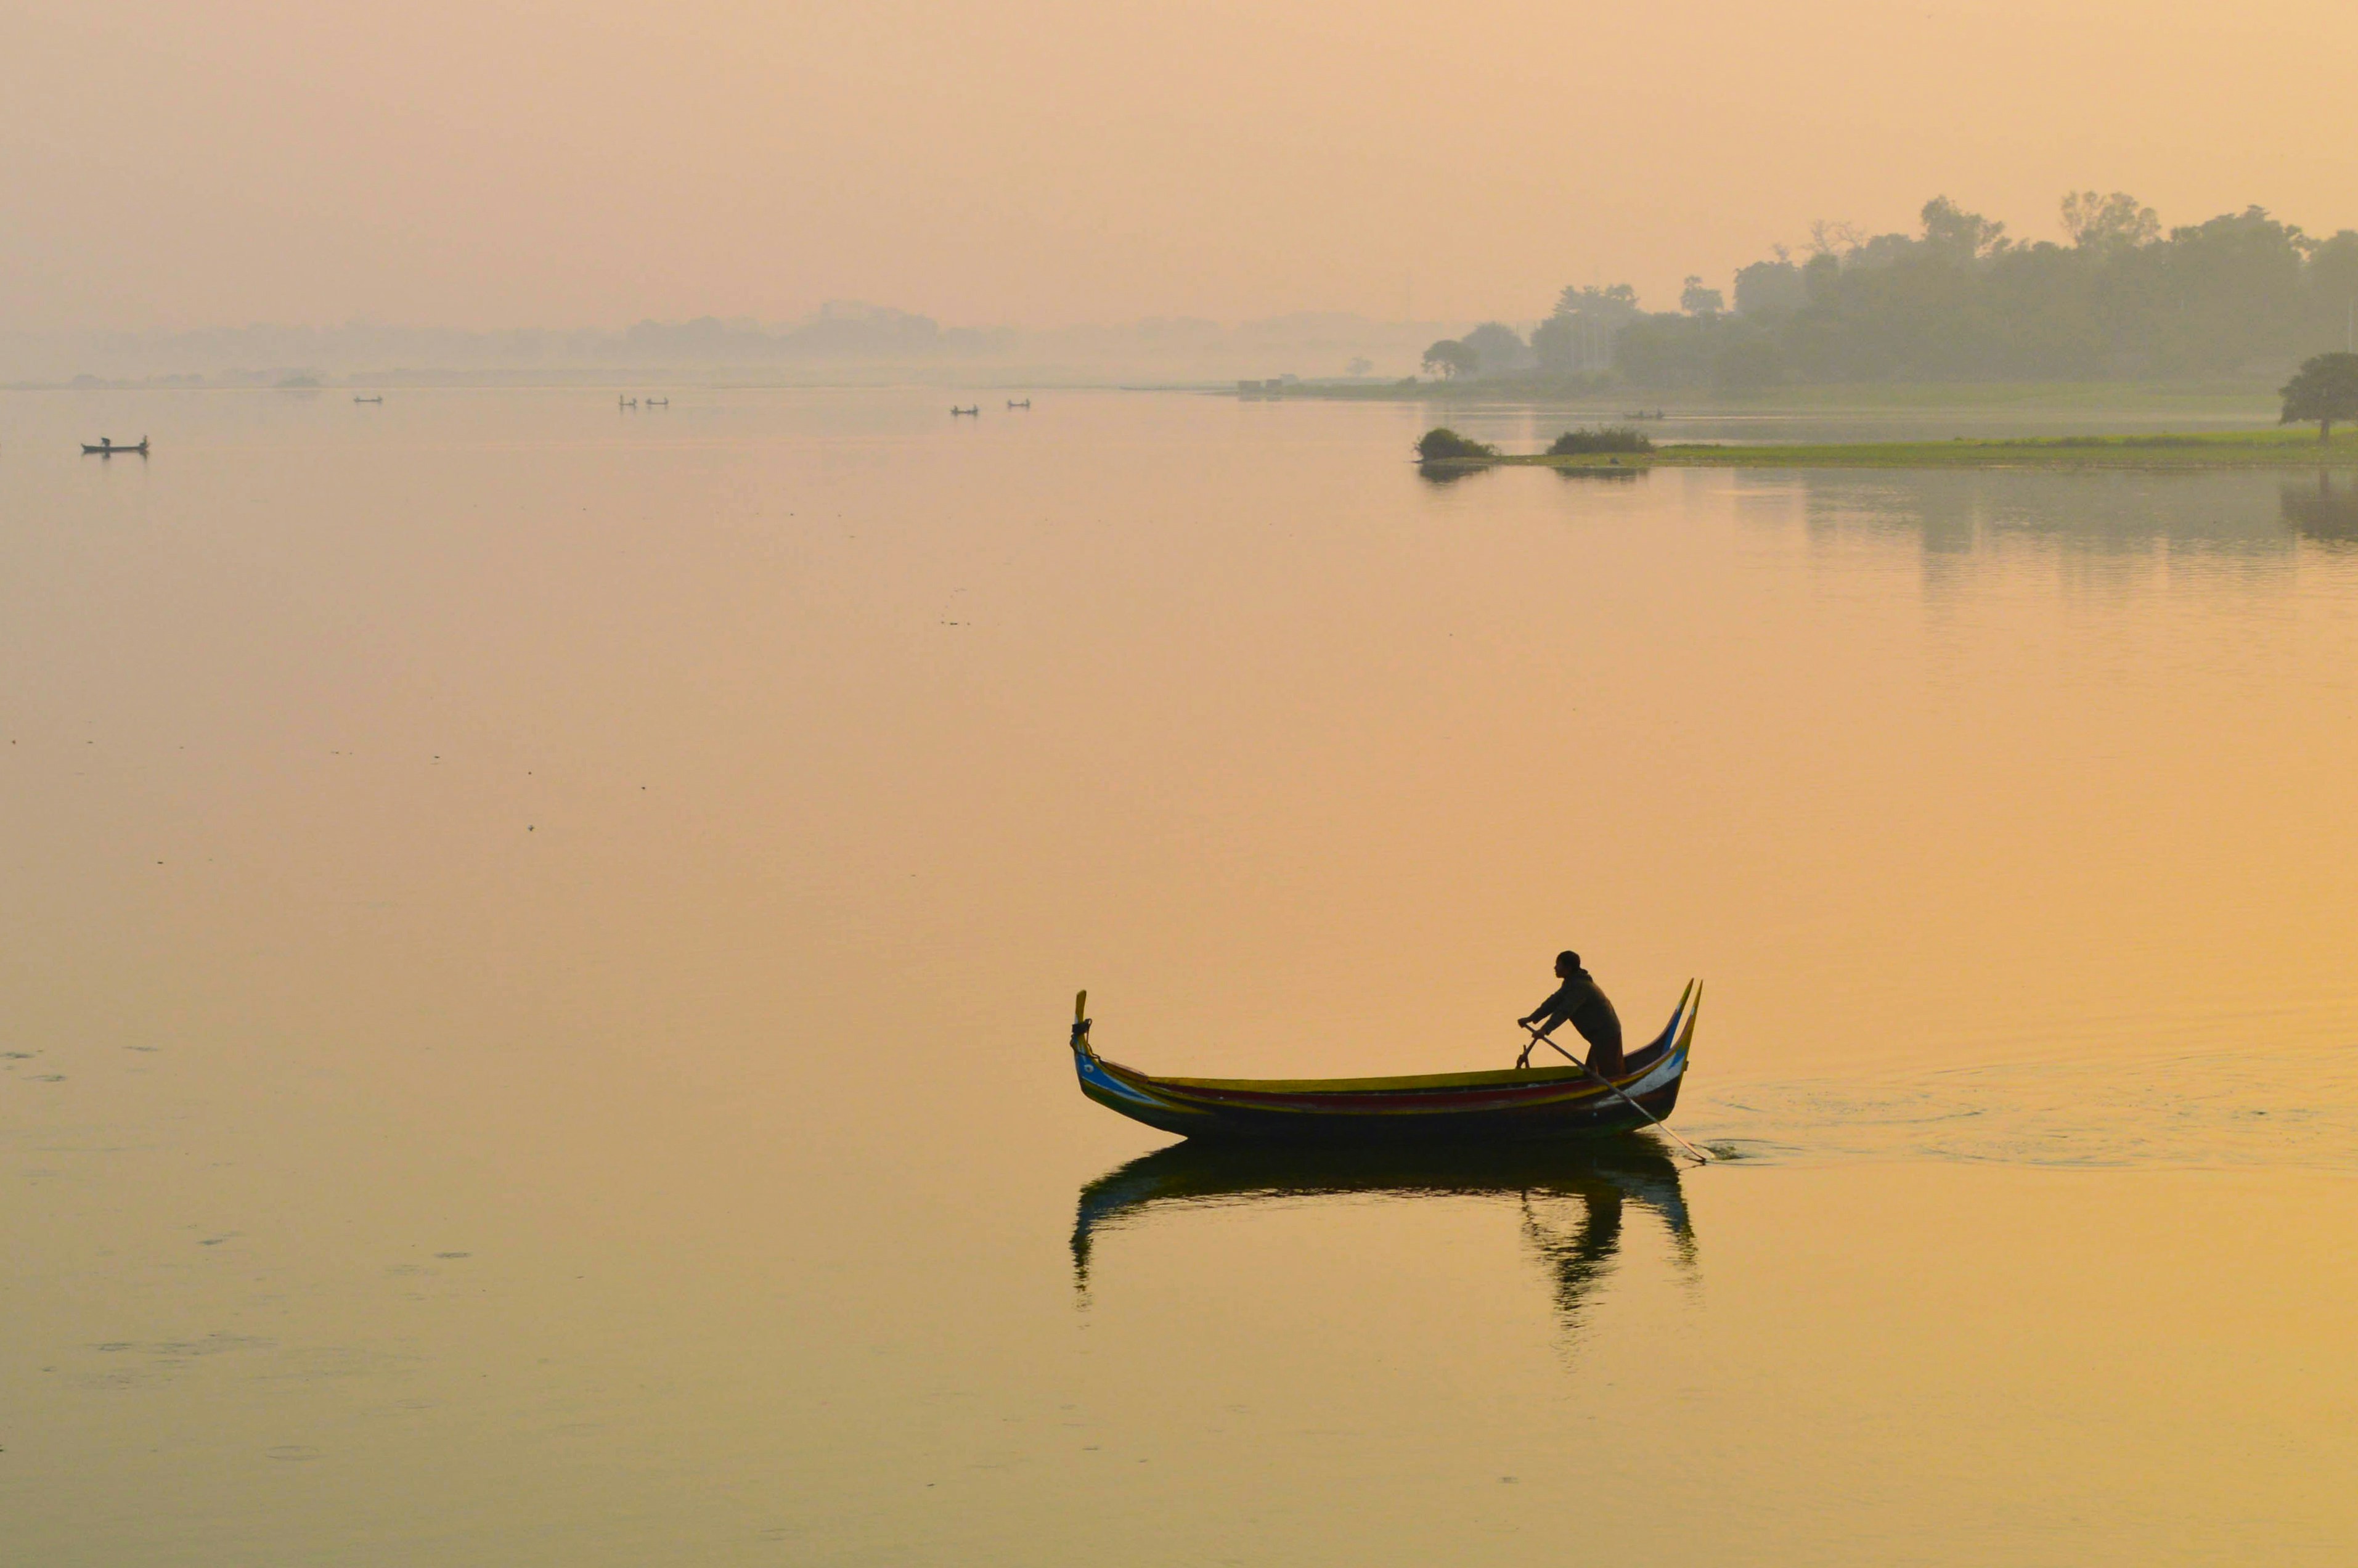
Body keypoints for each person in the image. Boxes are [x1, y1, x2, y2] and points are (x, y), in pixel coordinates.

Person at [1517, 950, 1623, 1078]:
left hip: (1606, 1033)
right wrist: (1532, 1018)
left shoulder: (1580, 987)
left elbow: (1564, 1011)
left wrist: (1545, 1030)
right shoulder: (1571, 983)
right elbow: (1553, 1002)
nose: (1555, 968)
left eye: (1558, 965)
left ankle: (1618, 1092)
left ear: (1568, 968)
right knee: (1591, 1073)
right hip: (1597, 1035)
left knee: (1611, 1075)